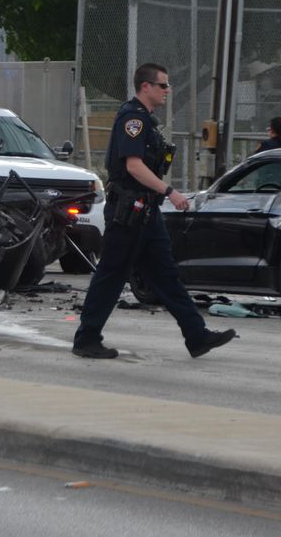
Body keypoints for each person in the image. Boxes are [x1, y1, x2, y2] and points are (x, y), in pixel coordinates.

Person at [73, 63, 237, 359]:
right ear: (145, 87)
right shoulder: (133, 119)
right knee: (111, 275)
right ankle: (86, 339)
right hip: (128, 213)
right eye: (162, 85)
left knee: (166, 276)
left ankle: (196, 336)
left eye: (167, 85)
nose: (167, 90)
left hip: (146, 214)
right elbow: (133, 166)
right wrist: (170, 192)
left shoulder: (147, 120)